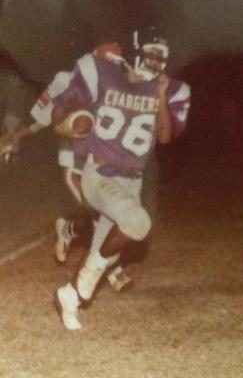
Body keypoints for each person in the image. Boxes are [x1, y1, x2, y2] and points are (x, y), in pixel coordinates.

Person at [53, 26, 190, 330]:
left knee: (106, 252)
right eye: (151, 53)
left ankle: (70, 296)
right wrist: (69, 123)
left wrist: (161, 95)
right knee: (138, 222)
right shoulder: (105, 74)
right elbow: (61, 110)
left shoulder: (166, 88)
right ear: (136, 52)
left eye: (162, 56)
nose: (156, 61)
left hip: (131, 181)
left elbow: (165, 138)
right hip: (100, 173)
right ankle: (84, 282)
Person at [0, 44, 137, 292]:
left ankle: (68, 229)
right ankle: (114, 271)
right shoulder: (65, 80)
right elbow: (42, 118)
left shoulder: (116, 86)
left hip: (102, 161)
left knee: (112, 215)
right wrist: (15, 136)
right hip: (75, 162)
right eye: (109, 63)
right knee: (101, 217)